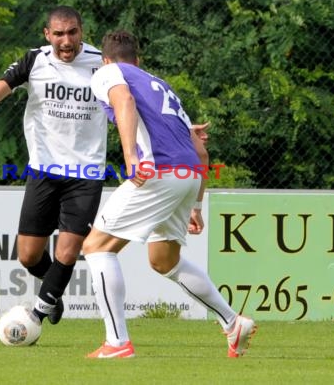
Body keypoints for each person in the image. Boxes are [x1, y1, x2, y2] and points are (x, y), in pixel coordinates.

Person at [82, 30, 257, 359]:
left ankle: (117, 343)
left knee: (96, 247)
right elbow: (201, 153)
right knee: (165, 261)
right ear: (139, 59)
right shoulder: (161, 87)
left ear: (106, 60)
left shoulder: (107, 73)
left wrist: (132, 158)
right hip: (188, 175)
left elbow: (124, 102)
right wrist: (196, 205)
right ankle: (232, 323)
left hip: (157, 172)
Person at [0, 6, 107, 326]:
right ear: (47, 35)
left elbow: (137, 101)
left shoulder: (103, 64)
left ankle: (37, 314)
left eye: (72, 32)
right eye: (58, 33)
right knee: (28, 256)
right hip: (43, 170)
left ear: (81, 32)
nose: (66, 40)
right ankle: (52, 291)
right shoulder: (34, 61)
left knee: (68, 249)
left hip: (86, 173)